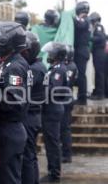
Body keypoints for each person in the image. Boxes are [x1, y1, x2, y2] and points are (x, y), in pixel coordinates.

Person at [0, 21, 29, 184]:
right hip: (8, 129)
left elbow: (13, 101)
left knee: (9, 179)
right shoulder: (11, 63)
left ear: (6, 43)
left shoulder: (15, 66)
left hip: (10, 130)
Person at [40, 42, 70, 183]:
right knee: (50, 142)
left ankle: (54, 174)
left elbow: (53, 90)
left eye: (51, 53)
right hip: (51, 108)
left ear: (57, 55)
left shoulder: (59, 70)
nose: (49, 55)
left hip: (53, 109)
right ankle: (53, 170)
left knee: (52, 143)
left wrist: (39, 92)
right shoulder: (55, 68)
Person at [21, 31, 47, 184]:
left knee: (28, 155)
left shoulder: (35, 69)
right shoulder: (39, 66)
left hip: (31, 115)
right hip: (34, 114)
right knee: (30, 154)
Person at [61, 45, 78, 163]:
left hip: (66, 99)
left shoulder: (70, 67)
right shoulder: (67, 66)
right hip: (64, 99)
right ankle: (64, 153)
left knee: (65, 128)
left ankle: (67, 154)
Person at [73, 1, 91, 105]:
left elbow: (79, 25)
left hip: (81, 51)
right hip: (82, 50)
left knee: (81, 75)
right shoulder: (86, 19)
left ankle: (82, 98)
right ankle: (81, 97)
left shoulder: (85, 19)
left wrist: (72, 18)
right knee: (80, 75)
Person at [89, 12, 106, 100]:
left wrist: (89, 38)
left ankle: (100, 94)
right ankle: (97, 92)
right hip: (97, 52)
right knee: (97, 73)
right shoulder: (97, 27)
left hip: (99, 52)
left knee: (99, 73)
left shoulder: (98, 27)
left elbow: (101, 38)